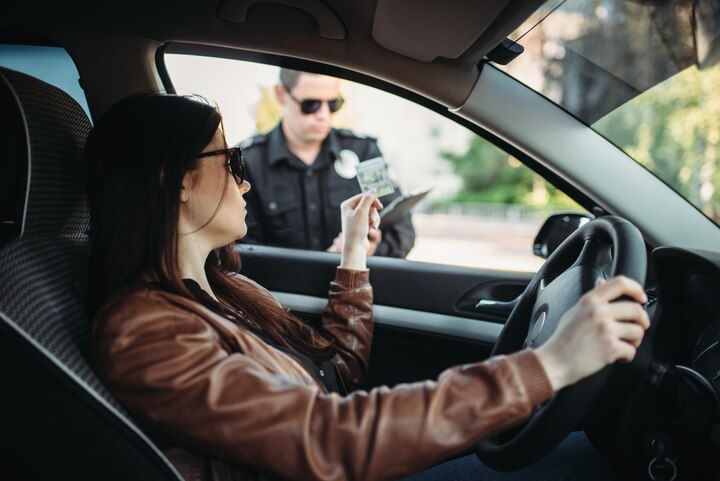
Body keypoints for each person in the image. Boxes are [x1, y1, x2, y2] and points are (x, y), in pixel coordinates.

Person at [86, 93, 649, 481]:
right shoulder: (143, 331)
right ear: (176, 180)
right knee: (586, 462)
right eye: (229, 160)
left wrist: (354, 252)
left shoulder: (222, 288)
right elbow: (328, 438)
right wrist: (548, 367)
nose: (245, 179)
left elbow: (335, 377)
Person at [238, 68, 415, 257]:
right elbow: (242, 250)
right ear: (281, 94)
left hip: (355, 282)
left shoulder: (364, 153)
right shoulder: (248, 162)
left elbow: (402, 231)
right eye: (311, 104)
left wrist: (370, 250)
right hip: (279, 286)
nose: (323, 114)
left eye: (333, 104)